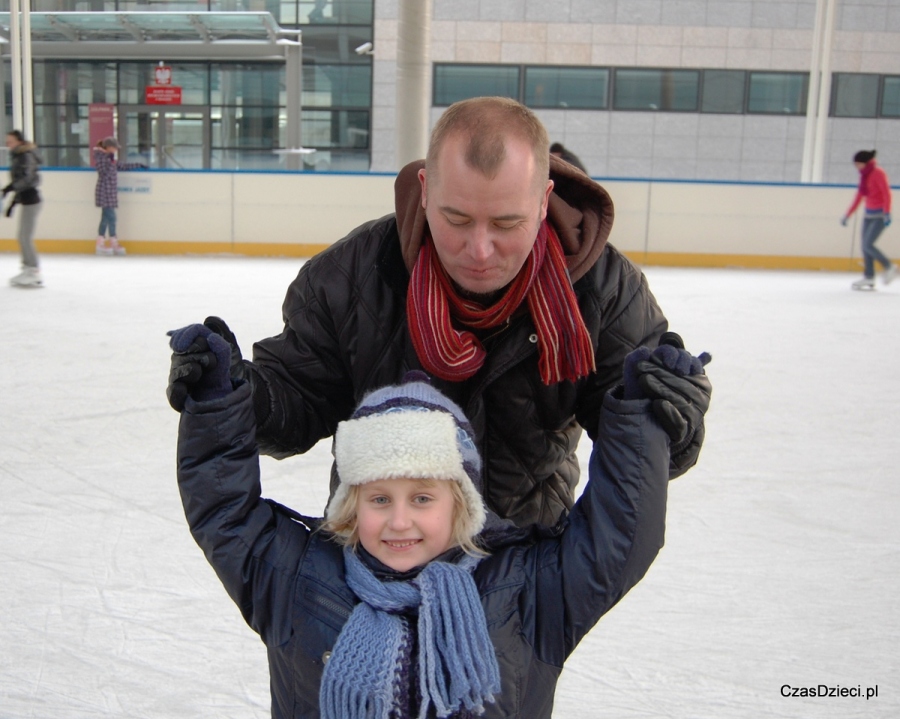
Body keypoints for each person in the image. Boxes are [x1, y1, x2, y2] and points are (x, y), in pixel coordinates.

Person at [167, 96, 711, 529]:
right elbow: (300, 399)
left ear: (544, 201)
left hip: (522, 573)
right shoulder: (351, 276)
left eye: (505, 224)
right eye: (456, 218)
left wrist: (667, 417)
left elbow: (638, 452)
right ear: (425, 191)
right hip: (378, 561)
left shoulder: (604, 292)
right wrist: (235, 393)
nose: (478, 250)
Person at [171, 317, 710, 717]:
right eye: (379, 499)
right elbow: (225, 513)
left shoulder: (526, 590)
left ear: (463, 504)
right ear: (350, 507)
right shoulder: (297, 579)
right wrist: (217, 401)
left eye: (423, 498)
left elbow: (618, 537)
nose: (399, 521)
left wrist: (641, 417)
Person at [841, 149, 894, 291]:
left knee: (868, 245)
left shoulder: (878, 173)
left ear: (865, 163)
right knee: (864, 247)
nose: (857, 167)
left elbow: (886, 194)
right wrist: (848, 214)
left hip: (880, 216)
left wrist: (887, 213)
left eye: (858, 164)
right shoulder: (865, 176)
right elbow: (859, 196)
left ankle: (889, 266)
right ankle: (869, 277)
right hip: (868, 215)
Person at [4, 130, 43, 288]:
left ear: (19, 141)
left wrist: (11, 187)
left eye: (11, 141)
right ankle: (27, 268)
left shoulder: (25, 155)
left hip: (32, 201)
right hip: (27, 200)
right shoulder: (19, 155)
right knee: (22, 236)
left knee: (25, 237)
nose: (8, 145)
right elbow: (22, 183)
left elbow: (27, 179)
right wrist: (12, 203)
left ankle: (33, 271)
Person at [93, 136, 145, 256]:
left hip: (110, 192)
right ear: (109, 147)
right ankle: (113, 241)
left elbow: (122, 166)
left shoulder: (110, 159)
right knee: (112, 218)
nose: (116, 150)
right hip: (104, 192)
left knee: (106, 218)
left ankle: (101, 243)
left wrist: (139, 165)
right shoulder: (101, 157)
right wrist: (108, 159)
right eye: (115, 148)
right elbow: (102, 171)